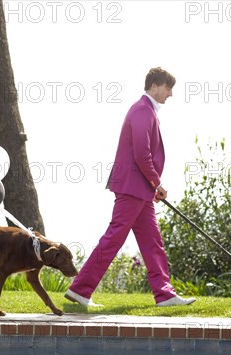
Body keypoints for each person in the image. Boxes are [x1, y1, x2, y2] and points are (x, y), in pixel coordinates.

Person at [65, 67, 196, 307]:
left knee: (152, 242)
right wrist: (157, 183)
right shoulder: (142, 110)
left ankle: (164, 294)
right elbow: (141, 154)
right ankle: (80, 289)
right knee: (114, 237)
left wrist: (152, 186)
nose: (171, 94)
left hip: (140, 189)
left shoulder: (147, 111)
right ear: (155, 85)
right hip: (133, 187)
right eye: (168, 88)